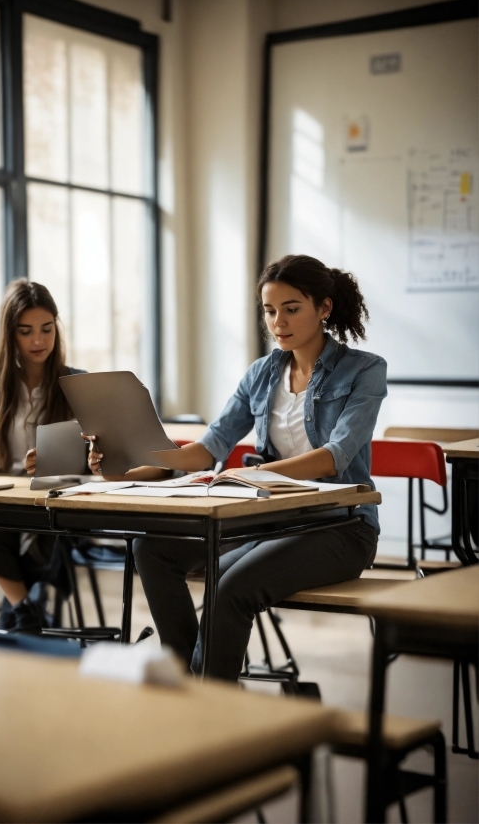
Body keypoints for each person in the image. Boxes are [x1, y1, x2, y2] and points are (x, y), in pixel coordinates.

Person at [86, 254, 387, 681]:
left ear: (324, 308)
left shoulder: (365, 370)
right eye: (269, 311)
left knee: (230, 586)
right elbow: (208, 447)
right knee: (151, 550)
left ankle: (208, 702)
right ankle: (192, 684)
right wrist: (128, 462)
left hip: (341, 527)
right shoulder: (261, 373)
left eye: (291, 308)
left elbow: (336, 454)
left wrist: (258, 475)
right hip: (270, 519)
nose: (278, 322)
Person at [0, 279, 83, 633]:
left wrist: (55, 459)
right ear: (10, 334)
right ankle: (26, 610)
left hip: (55, 505)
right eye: (26, 332)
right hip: (4, 506)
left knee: (39, 541)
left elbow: (96, 452)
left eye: (46, 329)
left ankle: (20, 612)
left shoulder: (76, 386)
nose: (38, 341)